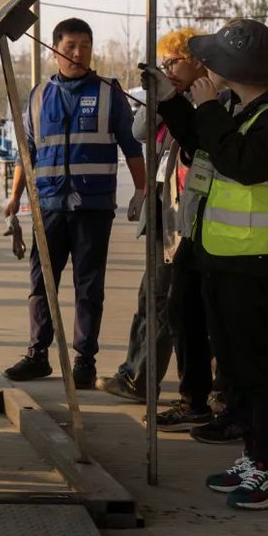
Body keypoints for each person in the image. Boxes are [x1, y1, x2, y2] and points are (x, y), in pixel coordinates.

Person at [144, 18, 268, 511]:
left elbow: (240, 162)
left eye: (212, 62)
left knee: (258, 365)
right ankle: (252, 454)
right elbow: (206, 147)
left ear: (230, 68)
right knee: (237, 366)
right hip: (224, 255)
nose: (204, 69)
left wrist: (202, 107)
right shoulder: (241, 109)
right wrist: (173, 102)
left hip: (259, 260)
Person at [2, 18, 146, 389]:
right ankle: (38, 355)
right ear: (55, 49)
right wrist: (15, 196)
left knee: (89, 286)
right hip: (48, 203)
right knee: (41, 283)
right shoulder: (37, 96)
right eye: (70, 46)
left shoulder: (109, 93)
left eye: (85, 45)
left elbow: (132, 148)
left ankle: (85, 361)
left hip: (93, 206)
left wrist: (142, 190)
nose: (78, 53)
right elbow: (26, 152)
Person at [96, 27, 204, 406]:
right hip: (163, 210)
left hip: (186, 215)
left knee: (164, 300)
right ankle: (134, 371)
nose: (169, 67)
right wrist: (154, 95)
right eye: (166, 62)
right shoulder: (168, 99)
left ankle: (143, 377)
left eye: (175, 61)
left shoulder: (207, 101)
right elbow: (140, 129)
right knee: (150, 298)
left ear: (198, 63)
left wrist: (173, 99)